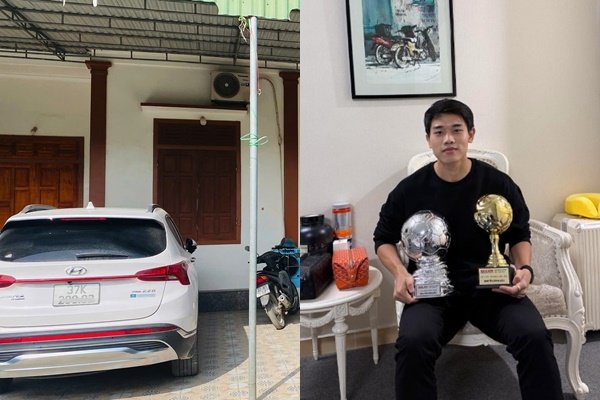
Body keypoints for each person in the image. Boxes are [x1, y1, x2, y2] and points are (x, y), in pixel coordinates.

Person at [373, 99, 563, 400]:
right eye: (439, 132)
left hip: (491, 287)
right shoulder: (409, 189)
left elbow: (519, 234)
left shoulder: (499, 184)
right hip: (432, 292)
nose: (448, 139)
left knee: (534, 336)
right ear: (428, 139)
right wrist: (399, 273)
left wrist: (525, 270)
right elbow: (383, 239)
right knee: (413, 343)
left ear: (470, 134)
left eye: (456, 130)